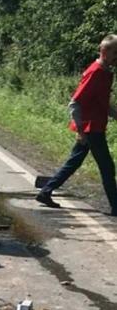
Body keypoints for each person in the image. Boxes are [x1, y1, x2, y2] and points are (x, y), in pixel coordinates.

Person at [36, 34, 117, 215]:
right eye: (115, 52)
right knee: (107, 167)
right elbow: (74, 103)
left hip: (95, 127)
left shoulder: (106, 73)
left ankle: (45, 191)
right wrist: (80, 130)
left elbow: (103, 103)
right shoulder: (95, 72)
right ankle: (115, 206)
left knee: (74, 163)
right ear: (104, 51)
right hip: (90, 129)